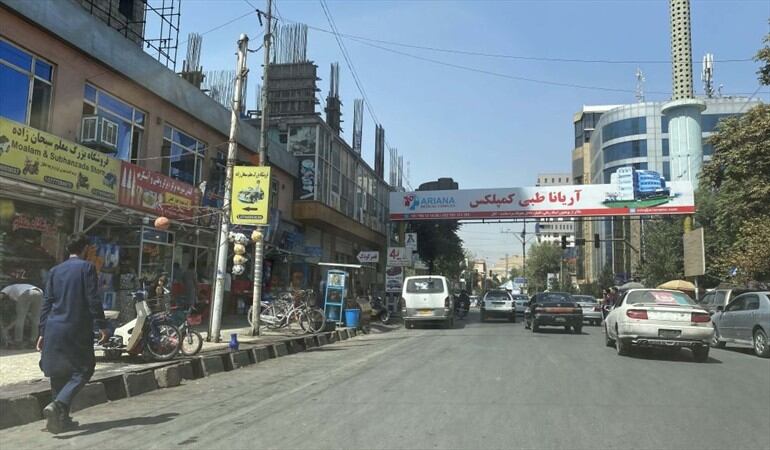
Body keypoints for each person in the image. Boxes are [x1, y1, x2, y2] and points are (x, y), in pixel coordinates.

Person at [38, 233, 108, 434]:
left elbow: (47, 302)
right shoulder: (87, 268)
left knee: (59, 372)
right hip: (76, 327)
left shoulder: (55, 270)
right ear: (85, 248)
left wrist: (42, 331)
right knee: (84, 369)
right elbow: (92, 298)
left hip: (53, 327)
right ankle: (58, 405)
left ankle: (60, 420)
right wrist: (102, 325)